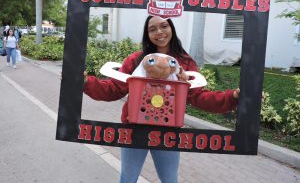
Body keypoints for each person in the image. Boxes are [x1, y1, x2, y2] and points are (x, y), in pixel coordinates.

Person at [83, 15, 240, 183]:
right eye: (152, 29)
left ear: (171, 27)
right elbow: (113, 89)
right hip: (133, 128)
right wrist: (85, 82)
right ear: (147, 34)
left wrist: (232, 97)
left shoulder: (185, 63)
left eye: (164, 26)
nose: (159, 32)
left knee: (169, 180)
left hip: (168, 131)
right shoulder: (136, 60)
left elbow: (199, 97)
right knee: (128, 179)